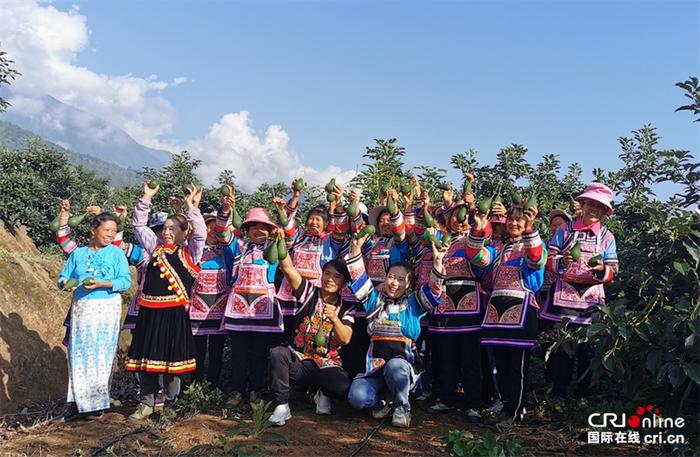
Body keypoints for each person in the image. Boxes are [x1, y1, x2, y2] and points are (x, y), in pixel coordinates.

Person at [346, 230, 446, 428]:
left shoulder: (414, 303)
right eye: (391, 277)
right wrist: (356, 250)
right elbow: (360, 279)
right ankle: (383, 399)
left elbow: (434, 290)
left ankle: (402, 406)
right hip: (375, 369)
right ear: (385, 279)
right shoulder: (374, 301)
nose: (394, 283)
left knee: (395, 367)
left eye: (401, 279)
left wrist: (437, 262)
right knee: (357, 397)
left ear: (408, 285)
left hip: (402, 370)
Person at [125, 183, 206, 421]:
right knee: (147, 359)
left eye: (173, 228)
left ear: (184, 233)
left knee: (172, 362)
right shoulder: (155, 248)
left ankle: (171, 405)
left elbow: (201, 233)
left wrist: (191, 207)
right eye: (165, 228)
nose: (167, 232)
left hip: (173, 313)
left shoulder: (191, 253)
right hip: (149, 312)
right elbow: (139, 225)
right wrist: (146, 198)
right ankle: (147, 403)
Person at [467, 201, 547, 423]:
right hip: (497, 312)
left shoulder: (535, 244)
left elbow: (536, 258)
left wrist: (530, 229)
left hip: (521, 311)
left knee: (516, 367)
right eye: (511, 218)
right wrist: (478, 229)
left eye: (519, 219)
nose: (513, 222)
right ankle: (505, 406)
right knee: (500, 366)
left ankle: (515, 412)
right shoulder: (500, 249)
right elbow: (476, 257)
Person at [539, 183, 618, 398]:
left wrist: (603, 269)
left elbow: (614, 269)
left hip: (591, 302)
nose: (593, 209)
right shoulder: (565, 230)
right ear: (581, 205)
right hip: (563, 298)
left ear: (604, 211)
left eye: (599, 206)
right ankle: (558, 394)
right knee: (562, 348)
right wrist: (561, 261)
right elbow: (549, 259)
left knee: (587, 350)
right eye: (589, 204)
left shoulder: (607, 237)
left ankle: (582, 395)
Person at [268, 237, 355, 425]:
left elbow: (346, 338)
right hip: (300, 358)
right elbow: (289, 269)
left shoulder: (347, 308)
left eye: (337, 277)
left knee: (343, 388)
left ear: (344, 284)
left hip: (326, 363)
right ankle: (282, 405)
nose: (330, 279)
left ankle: (320, 391)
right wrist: (279, 241)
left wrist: (334, 318)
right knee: (277, 354)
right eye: (327, 274)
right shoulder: (309, 293)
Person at [56, 212, 131, 421]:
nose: (110, 234)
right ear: (93, 230)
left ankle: (96, 404)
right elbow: (63, 277)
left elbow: (125, 282)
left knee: (103, 353)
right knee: (78, 354)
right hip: (83, 308)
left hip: (107, 308)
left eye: (113, 231)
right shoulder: (78, 254)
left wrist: (102, 284)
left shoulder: (116, 254)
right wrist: (64, 284)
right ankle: (74, 402)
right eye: (106, 230)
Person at [220, 206, 282, 407]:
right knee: (238, 352)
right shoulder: (237, 247)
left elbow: (288, 239)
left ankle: (256, 390)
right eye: (253, 226)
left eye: (263, 227)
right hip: (238, 310)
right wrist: (226, 208)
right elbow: (222, 230)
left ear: (270, 231)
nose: (258, 230)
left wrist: (281, 233)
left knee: (259, 353)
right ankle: (237, 391)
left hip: (263, 310)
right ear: (246, 230)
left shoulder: (274, 249)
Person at [189, 194, 238, 387]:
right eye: (207, 226)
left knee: (216, 352)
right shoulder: (196, 251)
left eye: (213, 226)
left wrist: (226, 210)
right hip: (197, 310)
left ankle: (212, 386)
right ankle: (194, 386)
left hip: (219, 310)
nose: (211, 230)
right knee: (197, 352)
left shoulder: (228, 251)